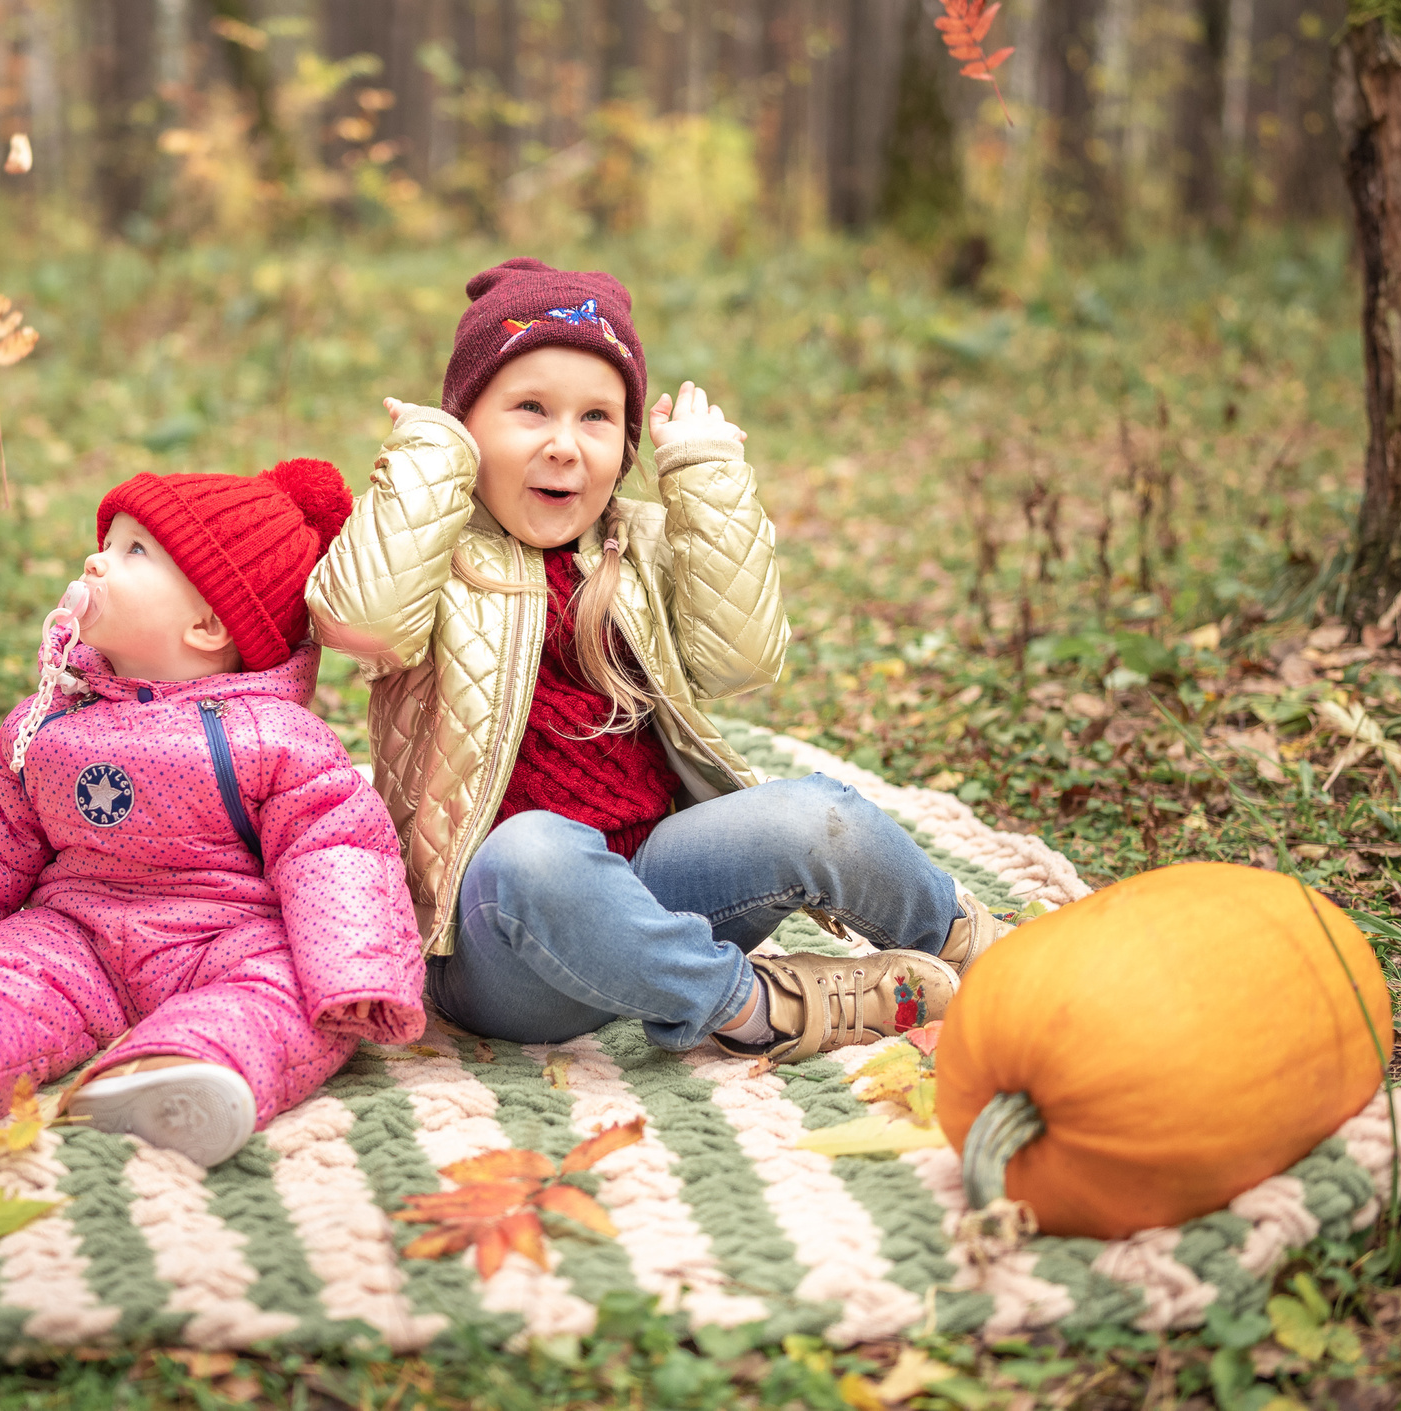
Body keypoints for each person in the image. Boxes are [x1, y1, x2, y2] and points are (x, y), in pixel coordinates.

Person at [306, 259, 1003, 1068]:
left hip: (654, 886)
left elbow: (743, 662)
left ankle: (979, 945)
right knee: (534, 849)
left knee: (813, 812)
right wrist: (430, 457)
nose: (564, 445)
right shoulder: (434, 557)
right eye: (529, 408)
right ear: (470, 429)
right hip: (500, 939)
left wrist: (706, 481)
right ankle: (750, 1005)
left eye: (597, 417)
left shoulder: (634, 550)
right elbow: (358, 621)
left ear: (627, 442)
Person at [0, 460, 424, 1167]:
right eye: (107, 544)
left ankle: (183, 1065)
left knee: (283, 992)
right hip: (78, 935)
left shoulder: (272, 736)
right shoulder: (49, 723)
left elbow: (336, 853)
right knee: (6, 972)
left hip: (222, 936)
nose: (95, 561)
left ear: (206, 622)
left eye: (133, 551)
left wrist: (356, 976)